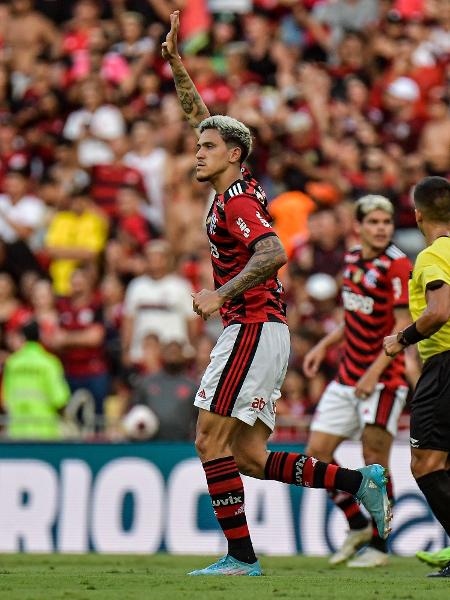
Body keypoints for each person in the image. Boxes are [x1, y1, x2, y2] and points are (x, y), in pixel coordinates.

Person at [162, 10, 391, 577]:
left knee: (208, 441)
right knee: (250, 458)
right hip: (264, 332)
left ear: (233, 155)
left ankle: (242, 558)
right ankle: (360, 483)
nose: (197, 152)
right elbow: (201, 118)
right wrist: (176, 66)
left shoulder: (237, 202)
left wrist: (221, 296)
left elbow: (274, 252)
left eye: (207, 148)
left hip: (252, 326)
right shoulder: (233, 185)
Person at [303, 195, 412, 568]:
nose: (382, 228)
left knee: (375, 462)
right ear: (359, 226)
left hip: (384, 378)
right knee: (316, 453)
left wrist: (373, 372)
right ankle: (357, 523)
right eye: (374, 222)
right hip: (348, 373)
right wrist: (324, 344)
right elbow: (351, 316)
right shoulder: (351, 259)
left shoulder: (396, 265)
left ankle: (381, 547)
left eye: (387, 222)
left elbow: (401, 327)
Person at [384, 176, 450, 578]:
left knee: (425, 464)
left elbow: (440, 310)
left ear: (418, 214)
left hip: (444, 364)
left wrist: (401, 339)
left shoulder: (431, 257)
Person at [2, 320, 70, 440]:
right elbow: (59, 398)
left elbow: (5, 398)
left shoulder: (12, 363)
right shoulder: (49, 363)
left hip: (17, 430)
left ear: (23, 337)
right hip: (45, 429)